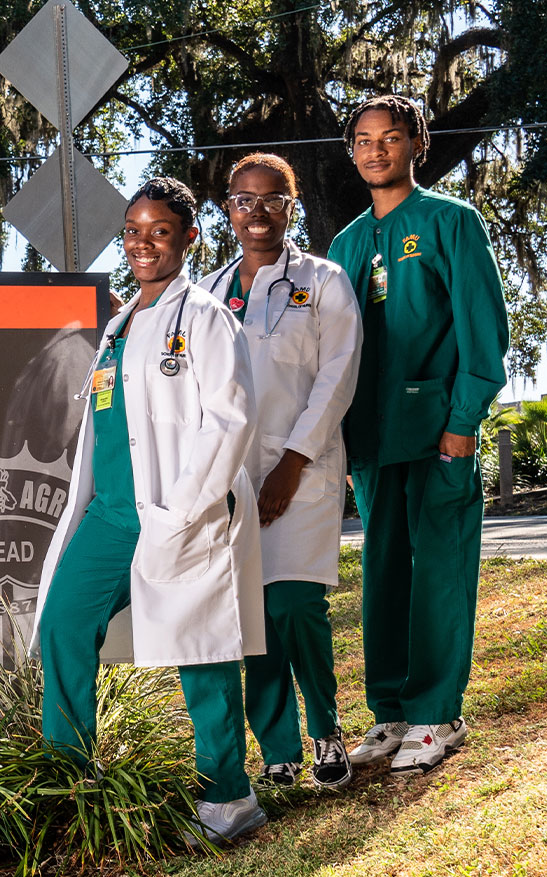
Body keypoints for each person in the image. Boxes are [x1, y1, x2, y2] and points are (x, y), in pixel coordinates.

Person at [35, 178, 268, 847]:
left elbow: (230, 419)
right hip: (110, 514)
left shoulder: (204, 317)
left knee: (205, 652)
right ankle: (68, 784)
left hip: (180, 509)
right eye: (133, 230)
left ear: (189, 238)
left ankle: (229, 799)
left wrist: (183, 511)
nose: (142, 243)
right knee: (63, 626)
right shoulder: (117, 325)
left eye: (159, 231)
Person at [328, 95, 509, 774]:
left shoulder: (451, 222)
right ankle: (393, 711)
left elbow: (483, 333)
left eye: (391, 138)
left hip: (439, 434)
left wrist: (463, 424)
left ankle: (438, 714)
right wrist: (343, 442)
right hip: (372, 441)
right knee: (383, 576)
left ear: (415, 144)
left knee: (438, 573)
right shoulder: (345, 245)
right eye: (364, 140)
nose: (376, 150)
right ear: (352, 152)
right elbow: (334, 354)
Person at [199, 153, 363, 790]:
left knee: (295, 604)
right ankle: (278, 747)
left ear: (291, 205)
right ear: (227, 210)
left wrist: (292, 463)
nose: (257, 211)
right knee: (250, 616)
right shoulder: (208, 293)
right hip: (229, 477)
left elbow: (337, 374)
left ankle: (325, 729)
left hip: (303, 468)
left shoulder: (323, 282)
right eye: (244, 200)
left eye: (272, 198)